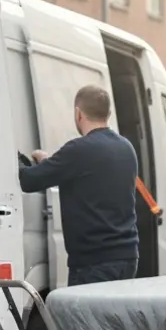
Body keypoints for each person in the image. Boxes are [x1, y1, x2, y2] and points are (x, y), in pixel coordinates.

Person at [19, 85, 139, 287]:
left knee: (87, 319)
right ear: (108, 113)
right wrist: (49, 162)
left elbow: (28, 180)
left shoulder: (78, 150)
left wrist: (16, 158)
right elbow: (92, 175)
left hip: (94, 264)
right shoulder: (126, 148)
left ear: (78, 114)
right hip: (127, 259)